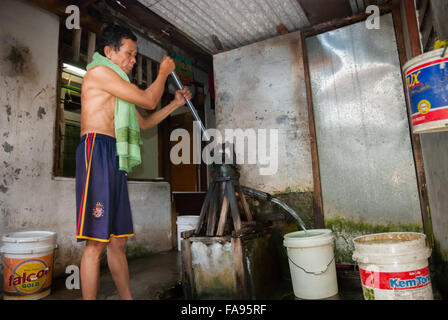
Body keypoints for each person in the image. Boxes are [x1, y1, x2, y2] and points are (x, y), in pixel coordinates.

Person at [75, 24, 191, 300]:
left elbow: (146, 121)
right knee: (95, 245)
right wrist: (163, 73)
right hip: (97, 149)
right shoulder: (99, 73)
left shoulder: (119, 90)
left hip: (114, 155)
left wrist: (174, 105)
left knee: (118, 242)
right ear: (109, 52)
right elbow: (149, 100)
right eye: (129, 53)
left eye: (135, 54)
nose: (134, 60)